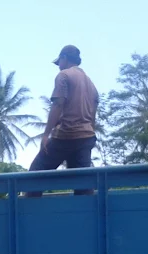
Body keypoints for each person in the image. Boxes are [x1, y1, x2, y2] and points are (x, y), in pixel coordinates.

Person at [28, 45, 99, 196]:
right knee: (83, 186)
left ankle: (28, 215)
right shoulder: (91, 84)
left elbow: (58, 104)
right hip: (86, 138)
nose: (58, 67)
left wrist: (46, 135)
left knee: (32, 176)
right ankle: (86, 217)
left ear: (64, 58)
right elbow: (93, 114)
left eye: (59, 62)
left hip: (66, 135)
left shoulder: (64, 75)